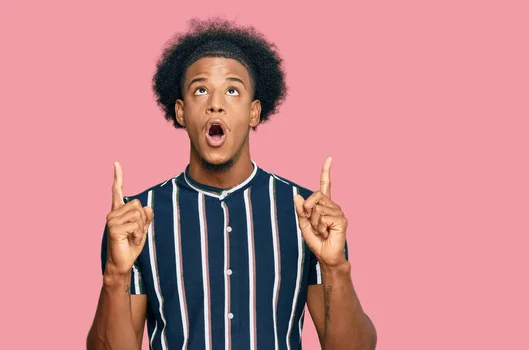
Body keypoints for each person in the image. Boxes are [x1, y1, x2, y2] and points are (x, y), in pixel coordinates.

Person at [86, 17, 377, 350]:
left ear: (254, 112)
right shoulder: (136, 222)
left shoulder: (308, 214)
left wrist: (335, 267)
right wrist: (115, 275)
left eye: (232, 90)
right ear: (181, 112)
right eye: (200, 89)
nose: (216, 102)